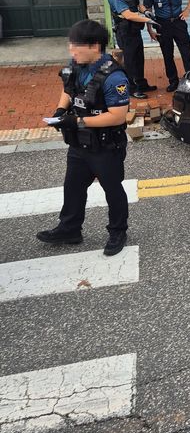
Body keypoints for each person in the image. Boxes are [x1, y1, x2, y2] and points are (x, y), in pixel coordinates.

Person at [36, 19, 131, 256]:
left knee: (112, 188)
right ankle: (70, 229)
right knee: (73, 186)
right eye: (71, 45)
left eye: (76, 46)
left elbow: (118, 116)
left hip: (105, 145)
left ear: (95, 46)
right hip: (79, 143)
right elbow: (68, 89)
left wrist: (78, 121)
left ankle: (118, 231)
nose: (72, 50)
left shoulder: (114, 77)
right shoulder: (76, 64)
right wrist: (60, 111)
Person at [143, 0, 190, 92]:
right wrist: (150, 30)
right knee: (167, 55)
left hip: (179, 23)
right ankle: (173, 81)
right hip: (162, 24)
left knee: (186, 53)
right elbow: (148, 9)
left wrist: (188, 10)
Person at [107, 0, 158, 100]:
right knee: (130, 62)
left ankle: (141, 83)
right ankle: (132, 89)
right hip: (124, 32)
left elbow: (137, 5)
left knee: (139, 59)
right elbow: (128, 15)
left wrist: (145, 11)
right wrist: (148, 19)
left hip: (135, 30)